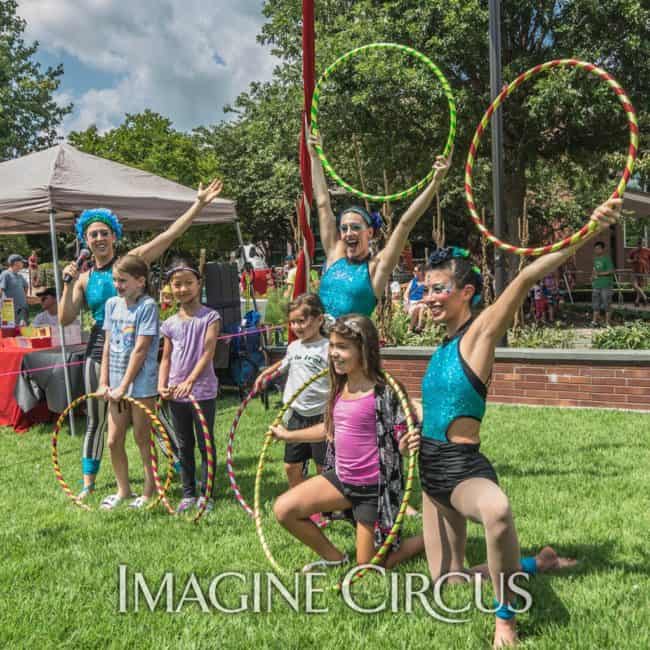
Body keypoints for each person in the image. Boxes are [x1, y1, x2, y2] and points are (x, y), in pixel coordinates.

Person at [416, 198, 620, 648]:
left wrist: (588, 228)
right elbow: (436, 407)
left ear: (466, 292)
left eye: (437, 289)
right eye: (425, 290)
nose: (427, 298)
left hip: (460, 469)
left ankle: (505, 617)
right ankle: (535, 564)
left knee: (498, 513)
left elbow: (527, 276)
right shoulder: (441, 347)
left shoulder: (481, 333)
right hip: (428, 472)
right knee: (447, 585)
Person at [58, 178, 223, 499]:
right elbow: (65, 317)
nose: (100, 238)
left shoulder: (132, 261)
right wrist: (67, 284)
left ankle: (179, 466)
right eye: (93, 234)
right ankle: (89, 482)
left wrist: (199, 204)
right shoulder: (84, 278)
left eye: (105, 232)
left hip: (141, 345)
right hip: (103, 348)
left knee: (154, 414)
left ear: (114, 236)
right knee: (98, 418)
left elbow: (169, 234)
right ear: (85, 241)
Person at [271, 315, 421, 571]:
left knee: (370, 566)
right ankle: (334, 558)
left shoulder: (384, 391)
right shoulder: (340, 386)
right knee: (284, 509)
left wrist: (407, 446)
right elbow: (331, 429)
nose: (334, 354)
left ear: (364, 350)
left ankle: (430, 538)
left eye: (342, 347)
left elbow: (402, 435)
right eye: (331, 346)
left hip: (373, 489)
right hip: (341, 479)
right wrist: (288, 435)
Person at [309, 132, 451, 319]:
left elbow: (405, 223)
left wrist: (435, 182)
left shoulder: (376, 268)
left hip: (353, 345)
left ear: (369, 232)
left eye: (355, 227)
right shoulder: (335, 256)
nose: (348, 233)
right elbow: (322, 203)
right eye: (344, 228)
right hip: (321, 346)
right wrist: (314, 156)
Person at [254, 294, 330, 527]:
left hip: (321, 415)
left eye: (302, 321)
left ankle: (326, 507)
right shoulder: (294, 346)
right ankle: (302, 505)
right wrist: (267, 373)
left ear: (319, 319)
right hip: (296, 413)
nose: (296, 326)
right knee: (290, 466)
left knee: (322, 467)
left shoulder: (328, 348)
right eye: (293, 322)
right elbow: (287, 363)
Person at [158, 258, 221, 514]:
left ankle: (207, 494)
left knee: (205, 443)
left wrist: (190, 381)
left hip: (202, 390)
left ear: (199, 284)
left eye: (188, 283)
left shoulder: (210, 317)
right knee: (183, 444)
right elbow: (166, 357)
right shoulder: (170, 323)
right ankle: (188, 493)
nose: (183, 289)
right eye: (177, 284)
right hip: (175, 393)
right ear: (170, 287)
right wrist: (162, 385)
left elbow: (207, 353)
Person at [98, 255, 159, 509]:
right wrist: (104, 381)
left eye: (122, 280)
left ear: (140, 281)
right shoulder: (112, 304)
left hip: (141, 384)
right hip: (115, 384)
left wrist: (125, 385)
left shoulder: (148, 306)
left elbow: (140, 350)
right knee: (113, 440)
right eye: (115, 280)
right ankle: (123, 490)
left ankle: (148, 491)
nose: (117, 285)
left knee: (143, 438)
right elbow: (108, 346)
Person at [0, 254, 29, 325]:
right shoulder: (5, 274)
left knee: (23, 332)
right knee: (8, 332)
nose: (23, 264)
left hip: (21, 309)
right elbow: (0, 290)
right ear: (16, 263)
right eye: (22, 262)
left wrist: (23, 299)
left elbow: (26, 286)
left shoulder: (20, 275)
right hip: (8, 310)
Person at [591, 240, 615, 327]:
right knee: (595, 304)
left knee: (607, 304)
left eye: (598, 249)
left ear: (602, 249)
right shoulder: (595, 259)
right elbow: (594, 270)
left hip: (606, 285)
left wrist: (599, 274)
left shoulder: (607, 258)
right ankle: (594, 322)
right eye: (595, 249)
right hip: (596, 285)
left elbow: (611, 271)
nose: (596, 250)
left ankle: (607, 323)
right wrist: (592, 277)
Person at [404, 265, 428, 332]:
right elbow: (406, 294)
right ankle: (419, 327)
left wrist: (419, 302)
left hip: (422, 302)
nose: (413, 272)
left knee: (419, 307)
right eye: (414, 271)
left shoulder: (426, 283)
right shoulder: (412, 281)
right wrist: (407, 301)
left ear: (421, 272)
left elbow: (426, 297)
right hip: (411, 302)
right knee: (418, 307)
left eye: (415, 271)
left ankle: (411, 329)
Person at [627, 239, 650, 307]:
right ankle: (645, 297)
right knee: (634, 284)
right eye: (639, 244)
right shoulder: (633, 251)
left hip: (643, 271)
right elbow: (628, 260)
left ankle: (636, 302)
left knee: (640, 286)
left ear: (644, 243)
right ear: (637, 244)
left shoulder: (648, 251)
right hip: (634, 271)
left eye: (642, 243)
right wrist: (633, 260)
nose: (640, 245)